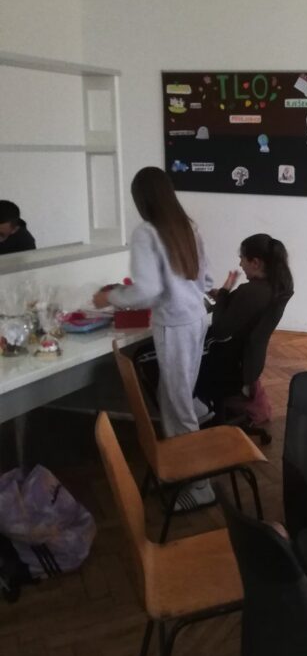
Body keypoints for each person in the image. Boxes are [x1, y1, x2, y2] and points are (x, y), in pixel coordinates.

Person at [92, 167, 213, 508]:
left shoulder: (147, 232)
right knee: (175, 396)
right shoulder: (187, 226)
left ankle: (200, 487)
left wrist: (110, 296)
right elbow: (206, 280)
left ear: (141, 200)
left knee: (176, 407)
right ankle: (191, 450)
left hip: (174, 324)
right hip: (196, 318)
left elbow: (147, 291)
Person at [196, 233, 293, 425]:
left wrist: (225, 291)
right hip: (248, 365)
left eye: (242, 258)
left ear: (255, 262)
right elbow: (241, 309)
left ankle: (197, 414)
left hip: (230, 368)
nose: (240, 264)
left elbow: (220, 330)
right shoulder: (275, 287)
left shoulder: (250, 292)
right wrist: (224, 296)